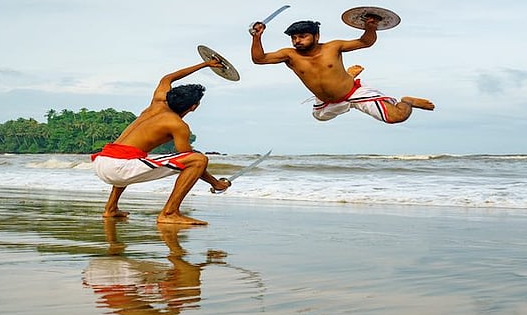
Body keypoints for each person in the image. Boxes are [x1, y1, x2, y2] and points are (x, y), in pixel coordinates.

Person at [91, 60, 231, 225]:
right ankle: (170, 213)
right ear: (193, 107)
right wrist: (216, 183)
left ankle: (111, 208)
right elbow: (190, 160)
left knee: (134, 156)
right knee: (198, 159)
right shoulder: (178, 125)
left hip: (102, 162)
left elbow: (168, 78)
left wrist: (205, 64)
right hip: (119, 168)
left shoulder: (157, 102)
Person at [249, 16, 434, 123]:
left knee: (397, 117)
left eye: (303, 36)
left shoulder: (333, 47)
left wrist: (371, 27)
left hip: (352, 92)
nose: (297, 41)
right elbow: (259, 59)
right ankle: (348, 75)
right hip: (325, 101)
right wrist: (257, 36)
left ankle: (408, 100)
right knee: (319, 118)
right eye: (294, 38)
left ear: (316, 36)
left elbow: (365, 42)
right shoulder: (289, 55)